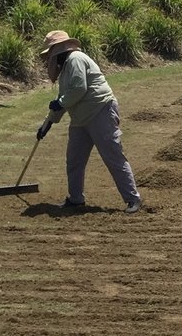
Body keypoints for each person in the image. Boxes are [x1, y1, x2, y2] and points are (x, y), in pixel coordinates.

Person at [36, 29, 142, 214]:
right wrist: (48, 124)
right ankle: (76, 199)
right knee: (74, 160)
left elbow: (79, 88)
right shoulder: (66, 69)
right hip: (80, 119)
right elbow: (64, 98)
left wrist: (60, 103)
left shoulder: (75, 59)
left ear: (58, 51)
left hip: (100, 112)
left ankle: (133, 199)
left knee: (113, 156)